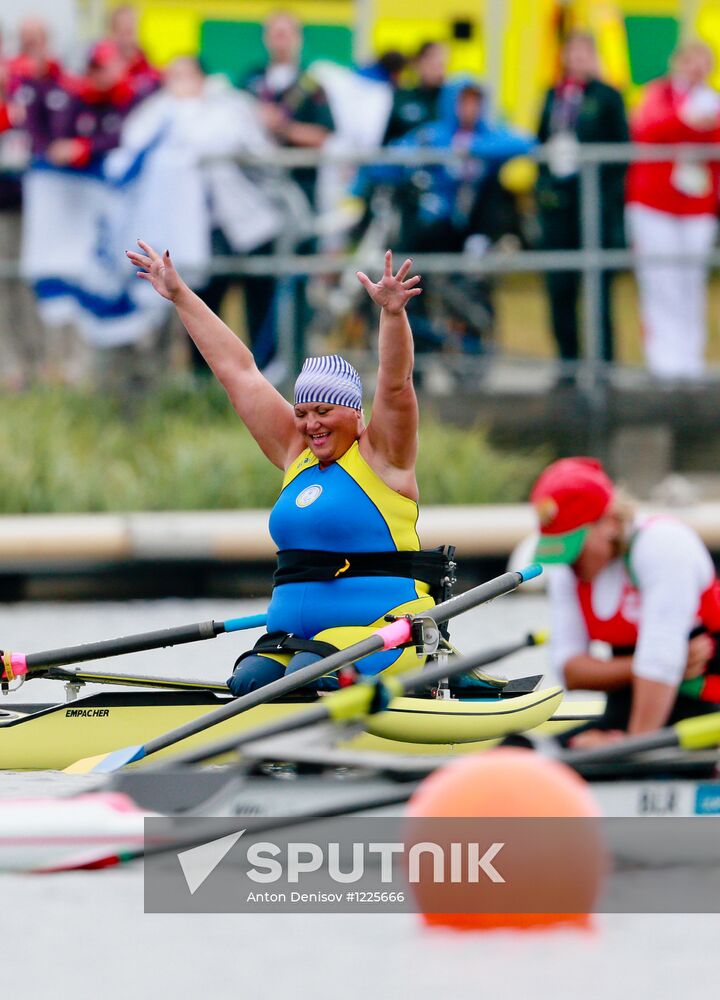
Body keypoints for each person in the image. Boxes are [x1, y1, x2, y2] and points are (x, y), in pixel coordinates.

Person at [127, 241, 441, 695]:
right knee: (250, 682)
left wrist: (392, 314)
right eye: (302, 412)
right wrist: (180, 295)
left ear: (355, 414)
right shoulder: (298, 455)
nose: (311, 423)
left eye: (323, 411)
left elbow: (396, 385)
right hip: (297, 642)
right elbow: (239, 371)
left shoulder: (384, 457)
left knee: (303, 677)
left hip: (384, 632)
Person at [531, 457, 720, 748]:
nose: (568, 561)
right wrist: (644, 664)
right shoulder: (568, 571)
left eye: (575, 547)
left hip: (706, 715)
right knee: (521, 752)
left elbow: (660, 663)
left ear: (610, 521)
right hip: (635, 715)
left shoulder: (662, 545)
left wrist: (627, 747)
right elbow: (571, 670)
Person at [626, 40, 720, 380]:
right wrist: (689, 122)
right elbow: (647, 131)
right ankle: (663, 362)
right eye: (690, 60)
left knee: (691, 282)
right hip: (654, 203)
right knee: (660, 281)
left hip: (696, 204)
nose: (696, 68)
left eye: (703, 61)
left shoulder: (712, 100)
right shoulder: (657, 96)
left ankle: (689, 360)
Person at [535, 31, 628, 372]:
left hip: (594, 207)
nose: (577, 60)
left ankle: (604, 366)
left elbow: (621, 151)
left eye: (583, 53)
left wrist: (601, 193)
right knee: (560, 288)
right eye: (571, 53)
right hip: (558, 205)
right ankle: (568, 365)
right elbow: (540, 140)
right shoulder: (553, 95)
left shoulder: (607, 96)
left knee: (599, 291)